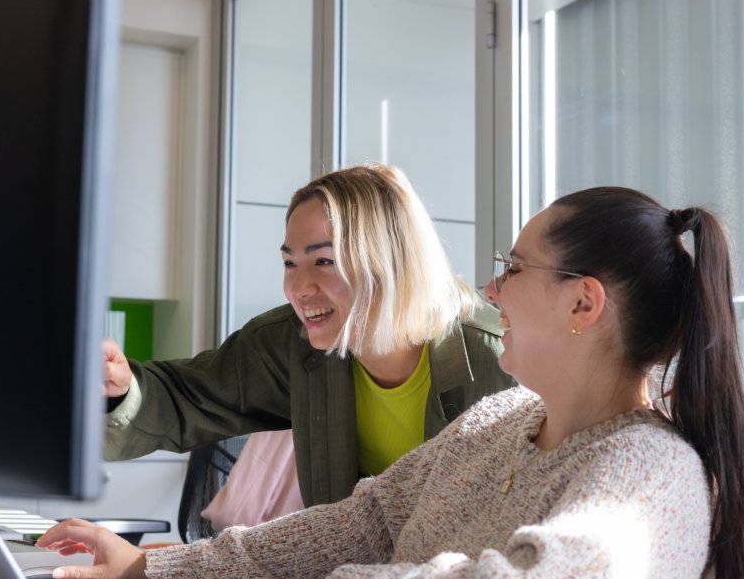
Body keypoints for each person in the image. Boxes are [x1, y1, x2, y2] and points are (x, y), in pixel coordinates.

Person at [40, 186, 744, 579]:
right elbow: (364, 521)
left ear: (584, 303)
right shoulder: (500, 421)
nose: (491, 286)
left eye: (513, 268)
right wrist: (153, 570)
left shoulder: (648, 469)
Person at [102, 163, 513, 509]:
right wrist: (122, 389)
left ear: (391, 262)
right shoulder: (289, 343)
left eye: (324, 261)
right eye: (290, 263)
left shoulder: (500, 358)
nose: (299, 288)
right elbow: (187, 396)